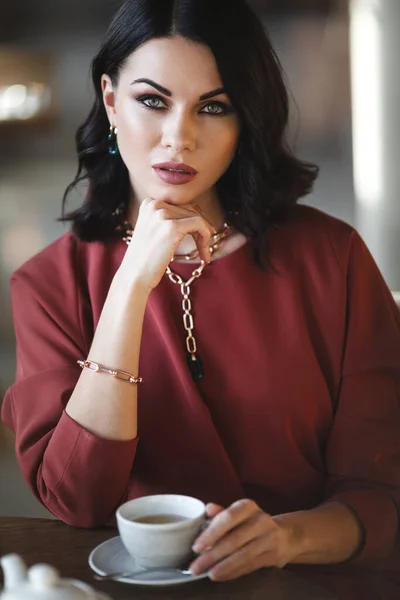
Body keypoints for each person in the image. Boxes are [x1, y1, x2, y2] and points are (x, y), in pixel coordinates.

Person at [2, 0, 400, 589]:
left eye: (213, 107)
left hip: (311, 585)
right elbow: (76, 499)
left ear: (246, 122)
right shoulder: (46, 284)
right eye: (152, 100)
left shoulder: (333, 259)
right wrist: (131, 285)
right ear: (111, 100)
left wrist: (287, 537)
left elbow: (383, 497)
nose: (179, 137)